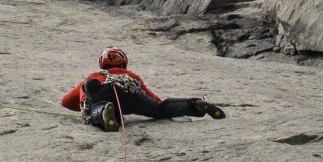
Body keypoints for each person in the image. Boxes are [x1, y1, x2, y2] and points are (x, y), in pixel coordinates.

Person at [61, 47, 225, 131]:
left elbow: (66, 102)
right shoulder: (130, 75)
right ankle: (194, 105)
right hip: (131, 94)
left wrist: (85, 102)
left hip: (105, 92)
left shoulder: (95, 75)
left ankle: (103, 112)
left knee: (96, 105)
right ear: (123, 63)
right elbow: (155, 99)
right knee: (160, 109)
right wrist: (159, 106)